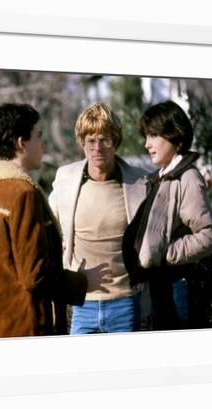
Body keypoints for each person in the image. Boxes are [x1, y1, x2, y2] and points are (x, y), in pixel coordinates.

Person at [0, 103, 106, 339]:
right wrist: (82, 282)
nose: (42, 144)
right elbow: (36, 275)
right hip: (25, 332)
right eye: (38, 135)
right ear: (21, 142)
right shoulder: (23, 194)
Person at [48, 103, 148, 334]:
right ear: (82, 143)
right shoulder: (66, 180)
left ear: (116, 141)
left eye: (105, 140)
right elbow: (48, 230)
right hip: (82, 303)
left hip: (125, 301)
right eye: (91, 141)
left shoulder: (140, 182)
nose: (97, 148)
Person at [123, 100, 212, 330]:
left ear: (174, 135)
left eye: (153, 135)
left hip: (177, 287)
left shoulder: (187, 178)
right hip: (161, 286)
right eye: (146, 136)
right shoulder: (163, 177)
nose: (147, 144)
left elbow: (208, 236)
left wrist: (165, 253)